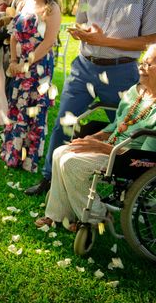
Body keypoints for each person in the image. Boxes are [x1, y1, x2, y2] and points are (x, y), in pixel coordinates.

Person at [26, 0, 156, 196]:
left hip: (122, 71)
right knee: (65, 121)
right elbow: (81, 22)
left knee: (125, 129)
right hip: (84, 67)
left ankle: (133, 187)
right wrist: (83, 32)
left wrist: (103, 40)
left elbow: (152, 39)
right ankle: (50, 178)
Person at [35, 44, 156, 229]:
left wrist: (101, 148)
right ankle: (58, 215)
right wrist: (94, 139)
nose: (141, 68)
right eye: (142, 63)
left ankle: (99, 216)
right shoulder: (136, 91)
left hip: (130, 159)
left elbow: (146, 155)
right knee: (60, 152)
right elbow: (115, 126)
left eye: (148, 65)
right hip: (111, 147)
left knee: (71, 163)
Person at [1, 0, 61, 173]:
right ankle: (13, 152)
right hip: (20, 63)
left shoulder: (52, 8)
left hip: (40, 66)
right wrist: (14, 61)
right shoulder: (24, 3)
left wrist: (27, 64)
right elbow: (13, 34)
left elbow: (48, 42)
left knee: (34, 110)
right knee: (17, 105)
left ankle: (29, 158)